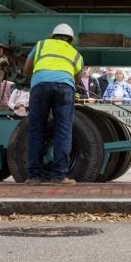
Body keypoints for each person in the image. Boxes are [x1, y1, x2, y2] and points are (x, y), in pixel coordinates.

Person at [24, 22, 84, 184]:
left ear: (53, 36)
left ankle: (33, 177)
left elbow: (27, 68)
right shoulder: (75, 53)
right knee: (63, 131)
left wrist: (36, 80)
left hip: (40, 87)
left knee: (36, 130)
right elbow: (77, 78)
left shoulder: (41, 45)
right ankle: (59, 177)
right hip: (65, 88)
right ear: (70, 40)